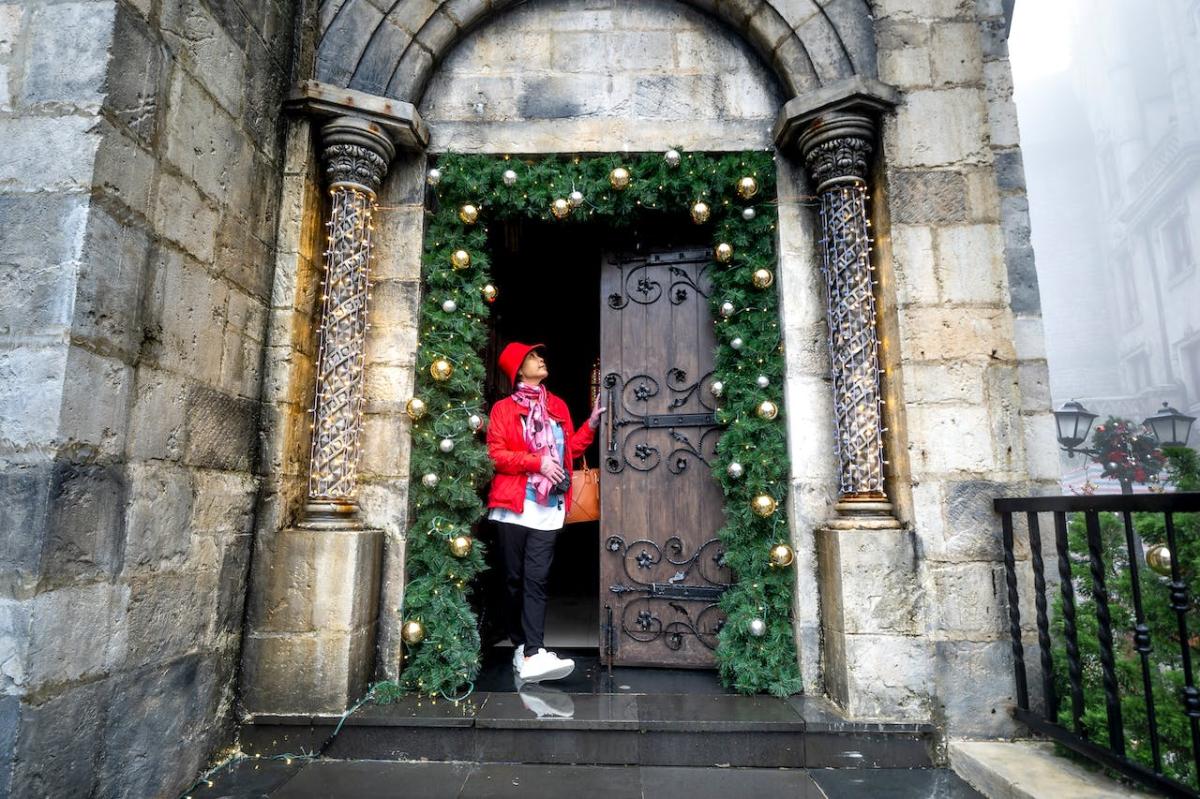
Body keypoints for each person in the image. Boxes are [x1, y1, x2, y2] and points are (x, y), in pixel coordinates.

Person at [486, 342, 605, 683]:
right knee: (512, 582)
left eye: (540, 355)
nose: (541, 359)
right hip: (512, 508)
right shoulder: (503, 410)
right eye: (533, 357)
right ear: (519, 369)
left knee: (536, 581)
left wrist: (592, 423)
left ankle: (534, 652)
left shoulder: (557, 406)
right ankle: (520, 646)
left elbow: (571, 450)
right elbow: (496, 454)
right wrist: (536, 461)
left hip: (548, 509)